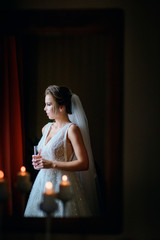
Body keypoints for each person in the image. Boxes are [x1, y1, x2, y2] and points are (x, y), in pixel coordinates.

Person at [24, 85, 101, 217]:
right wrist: (39, 163)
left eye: (48, 104)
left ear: (62, 106)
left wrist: (52, 164)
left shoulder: (72, 130)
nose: (45, 108)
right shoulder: (46, 128)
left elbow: (84, 163)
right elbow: (45, 157)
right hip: (42, 184)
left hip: (63, 185)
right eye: (45, 104)